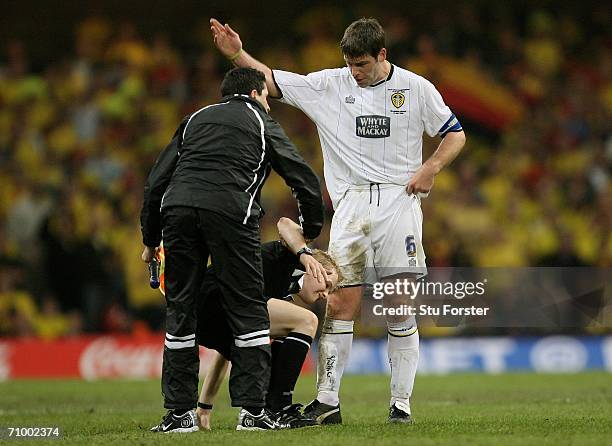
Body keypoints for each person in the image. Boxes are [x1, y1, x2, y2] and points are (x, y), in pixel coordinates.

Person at [210, 18, 466, 424]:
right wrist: (237, 54)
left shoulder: (416, 89)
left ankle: (401, 404)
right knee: (339, 302)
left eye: (362, 64)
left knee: (399, 306)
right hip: (350, 206)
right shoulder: (330, 84)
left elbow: (455, 133)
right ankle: (328, 401)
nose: (355, 72)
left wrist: (432, 167)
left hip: (399, 202)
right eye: (349, 64)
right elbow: (272, 81)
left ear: (382, 55)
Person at [140, 67, 325, 432]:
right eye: (268, 97)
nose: (269, 104)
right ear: (257, 93)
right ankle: (254, 413)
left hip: (177, 211)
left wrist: (150, 239)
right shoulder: (260, 121)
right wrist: (310, 235)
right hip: (231, 212)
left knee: (181, 314)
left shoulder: (194, 119)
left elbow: (155, 182)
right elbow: (302, 177)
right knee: (248, 312)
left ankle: (179, 415)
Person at [156, 217, 340, 429]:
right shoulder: (290, 257)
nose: (325, 293)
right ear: (313, 266)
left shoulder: (280, 292)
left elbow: (225, 353)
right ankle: (278, 408)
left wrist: (204, 406)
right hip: (215, 296)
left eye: (330, 289)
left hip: (207, 313)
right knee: (307, 320)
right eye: (326, 283)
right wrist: (304, 253)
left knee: (263, 344)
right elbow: (284, 223)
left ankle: (267, 409)